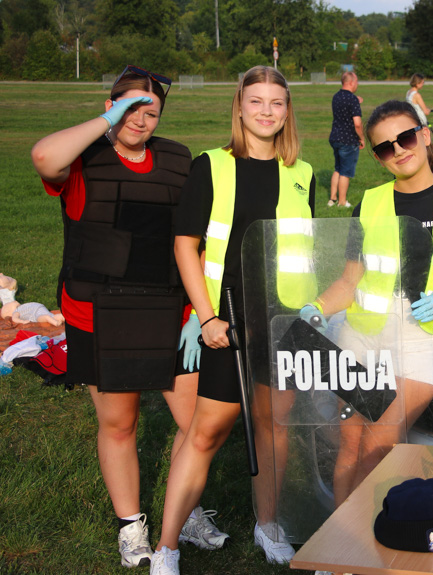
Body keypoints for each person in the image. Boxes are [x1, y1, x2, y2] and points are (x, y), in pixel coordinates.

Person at [30, 65, 225, 568]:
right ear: (110, 105)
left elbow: (196, 238)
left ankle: (185, 511)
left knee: (197, 422)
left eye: (150, 109)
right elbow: (42, 156)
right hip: (100, 310)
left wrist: (197, 311)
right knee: (120, 423)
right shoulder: (83, 157)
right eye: (129, 107)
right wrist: (107, 119)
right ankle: (131, 525)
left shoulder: (180, 160)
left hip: (171, 309)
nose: (140, 118)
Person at [150, 66, 317, 575]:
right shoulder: (212, 166)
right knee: (207, 432)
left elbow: (305, 251)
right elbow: (185, 245)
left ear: (288, 111)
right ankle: (167, 547)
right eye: (257, 102)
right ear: (239, 107)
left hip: (284, 320)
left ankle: (268, 525)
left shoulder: (302, 172)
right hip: (228, 322)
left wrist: (311, 309)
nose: (267, 112)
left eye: (277, 103)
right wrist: (206, 317)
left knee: (275, 427)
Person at [304, 100, 433, 506]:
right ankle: (340, 551)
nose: (398, 150)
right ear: (378, 157)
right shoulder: (370, 203)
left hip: (423, 336)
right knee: (350, 439)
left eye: (406, 137)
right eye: (384, 147)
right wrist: (317, 308)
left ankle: (366, 540)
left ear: (426, 135)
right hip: (362, 335)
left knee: (381, 436)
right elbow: (349, 280)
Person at [328, 70, 364, 208]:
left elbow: (345, 106)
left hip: (335, 137)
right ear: (351, 82)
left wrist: (356, 100)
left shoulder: (336, 96)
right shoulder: (352, 99)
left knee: (337, 168)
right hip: (348, 139)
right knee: (345, 172)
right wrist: (361, 138)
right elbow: (357, 123)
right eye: (357, 82)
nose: (357, 84)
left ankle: (332, 199)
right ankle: (342, 202)